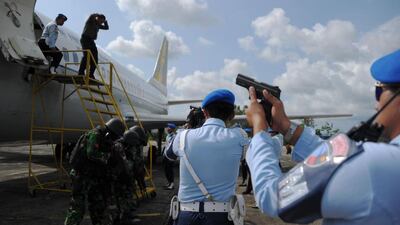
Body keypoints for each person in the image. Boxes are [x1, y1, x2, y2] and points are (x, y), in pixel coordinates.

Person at [245, 49, 400, 224]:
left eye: (379, 92)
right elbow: (337, 162)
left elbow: (272, 196)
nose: (376, 105)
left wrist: (258, 127)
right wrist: (287, 128)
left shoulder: (371, 164)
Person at [164, 89, 248, 225]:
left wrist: (188, 127)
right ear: (232, 115)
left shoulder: (183, 136)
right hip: (222, 217)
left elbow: (168, 156)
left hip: (186, 215)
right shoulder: (240, 137)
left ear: (204, 112)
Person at [64, 118, 125, 225]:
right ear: (110, 131)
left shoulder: (107, 140)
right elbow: (91, 153)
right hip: (80, 175)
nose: (114, 139)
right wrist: (108, 157)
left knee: (98, 205)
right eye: (114, 136)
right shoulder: (95, 134)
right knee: (77, 208)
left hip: (93, 176)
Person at [109, 128, 144, 225]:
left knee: (125, 196)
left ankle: (125, 214)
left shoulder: (125, 146)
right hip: (116, 177)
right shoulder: (118, 146)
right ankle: (118, 218)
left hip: (121, 176)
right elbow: (125, 164)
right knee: (118, 198)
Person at [78, 13, 109, 78]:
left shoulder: (98, 25)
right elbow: (92, 15)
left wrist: (105, 22)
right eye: (101, 21)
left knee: (95, 60)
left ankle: (91, 74)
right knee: (86, 56)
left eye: (102, 22)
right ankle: (81, 72)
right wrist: (98, 15)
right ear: (97, 18)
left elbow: (106, 28)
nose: (101, 23)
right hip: (85, 39)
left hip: (91, 41)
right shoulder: (91, 21)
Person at [163, 123, 177, 190]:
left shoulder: (174, 137)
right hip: (165, 155)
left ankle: (172, 184)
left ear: (173, 129)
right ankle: (169, 182)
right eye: (167, 127)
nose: (168, 128)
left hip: (170, 156)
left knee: (170, 170)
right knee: (166, 170)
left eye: (169, 127)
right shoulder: (167, 136)